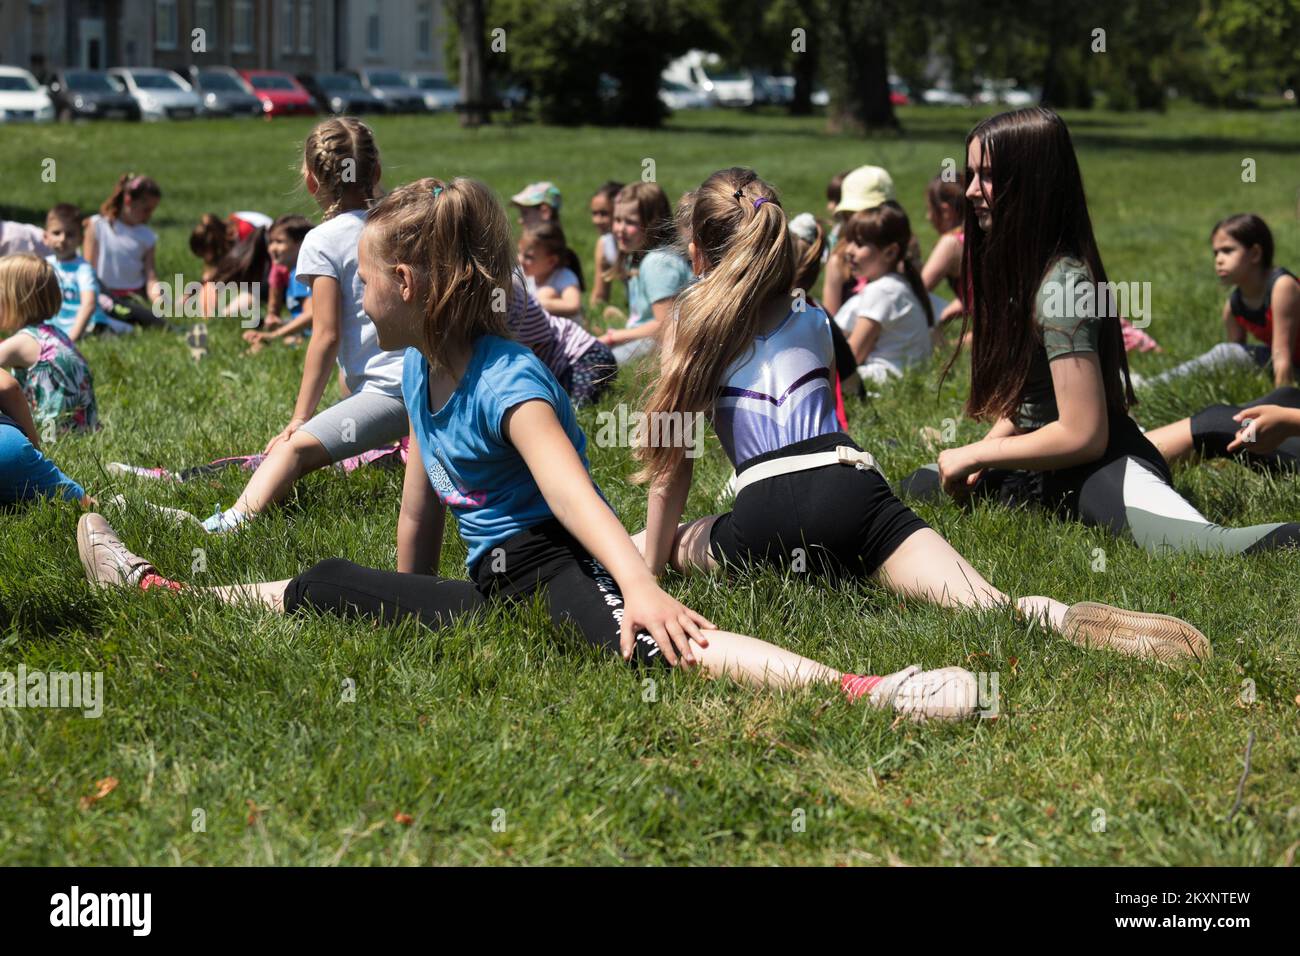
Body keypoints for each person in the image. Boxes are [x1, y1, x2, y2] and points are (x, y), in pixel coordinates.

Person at [76, 177, 985, 722]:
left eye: (364, 279)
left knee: (666, 647)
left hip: (552, 573)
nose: (352, 297)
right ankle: (162, 586)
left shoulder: (505, 378)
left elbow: (575, 494)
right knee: (325, 584)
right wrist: (414, 597)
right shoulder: (424, 369)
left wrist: (637, 586)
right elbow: (419, 507)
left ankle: (872, 690)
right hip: (495, 585)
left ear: (405, 281)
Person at [628, 166, 1209, 665]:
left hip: (764, 512)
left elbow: (672, 468)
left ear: (698, 252)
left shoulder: (689, 322)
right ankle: (1057, 617)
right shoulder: (814, 319)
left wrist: (653, 569)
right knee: (987, 603)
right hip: (853, 489)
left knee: (670, 543)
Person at [896, 107, 1300, 556]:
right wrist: (984, 448)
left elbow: (1084, 434)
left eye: (987, 176)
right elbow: (1029, 395)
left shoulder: (1064, 285)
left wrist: (977, 456)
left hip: (1096, 460)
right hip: (1036, 464)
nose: (970, 190)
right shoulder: (1014, 266)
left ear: (1032, 181)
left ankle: (1225, 431)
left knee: (1204, 547)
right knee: (915, 488)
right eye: (970, 173)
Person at [177, 117, 407, 534]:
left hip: (394, 393)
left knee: (291, 453)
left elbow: (326, 334)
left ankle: (228, 524)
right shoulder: (400, 224)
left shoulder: (322, 240)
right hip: (437, 381)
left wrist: (299, 420)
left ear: (311, 181)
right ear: (375, 173)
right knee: (346, 382)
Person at [1137, 214, 1297, 389]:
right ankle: (1148, 387)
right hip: (1291, 363)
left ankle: (1146, 387)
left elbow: (1282, 354)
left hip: (1288, 361)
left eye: (1227, 250)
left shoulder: (1282, 287)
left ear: (1255, 253)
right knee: (1226, 353)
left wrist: (1280, 403)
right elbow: (1233, 360)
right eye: (1216, 253)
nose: (1219, 260)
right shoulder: (1234, 305)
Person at [832, 202, 934, 386]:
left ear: (890, 252)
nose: (848, 250)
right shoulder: (894, 285)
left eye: (859, 244)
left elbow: (851, 358)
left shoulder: (883, 291)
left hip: (880, 381)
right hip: (897, 379)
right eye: (849, 241)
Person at [0, 254, 98, 434]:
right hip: (84, 427)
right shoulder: (53, 334)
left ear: (14, 301)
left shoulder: (22, 343)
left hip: (52, 432)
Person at [599, 183, 692, 367]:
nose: (620, 229)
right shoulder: (637, 256)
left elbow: (666, 326)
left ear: (653, 224)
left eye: (630, 222)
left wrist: (613, 337)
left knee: (594, 361)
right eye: (617, 220)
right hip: (647, 340)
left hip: (659, 345)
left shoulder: (657, 263)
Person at [83, 173, 168, 329]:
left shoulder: (147, 236)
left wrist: (159, 301)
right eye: (146, 209)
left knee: (143, 318)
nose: (149, 215)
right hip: (104, 295)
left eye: (152, 210)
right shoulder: (98, 226)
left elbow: (150, 277)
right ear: (128, 200)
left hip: (133, 297)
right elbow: (87, 270)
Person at [43, 204, 131, 340]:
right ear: (45, 237)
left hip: (88, 325)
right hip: (55, 326)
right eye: (56, 233)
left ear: (81, 239)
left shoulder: (83, 269)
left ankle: (121, 327)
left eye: (70, 234)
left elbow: (88, 304)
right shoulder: (43, 266)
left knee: (101, 333)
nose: (63, 239)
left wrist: (71, 339)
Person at [519, 221, 583, 320]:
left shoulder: (564, 277)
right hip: (535, 331)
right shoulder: (520, 274)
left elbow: (573, 305)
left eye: (528, 257)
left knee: (546, 293)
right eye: (520, 252)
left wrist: (534, 303)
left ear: (551, 261)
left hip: (564, 333)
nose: (520, 260)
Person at [587, 180, 622, 310]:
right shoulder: (605, 244)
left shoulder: (637, 243)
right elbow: (599, 297)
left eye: (604, 214)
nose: (597, 220)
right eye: (594, 213)